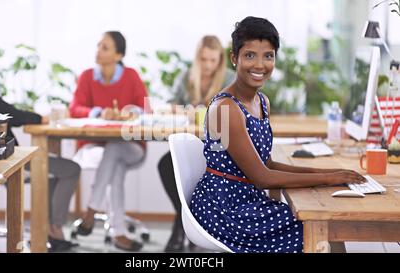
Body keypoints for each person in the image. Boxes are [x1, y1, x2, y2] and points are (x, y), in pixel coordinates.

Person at [189, 16, 366, 253]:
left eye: (268, 56)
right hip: (225, 210)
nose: (260, 65)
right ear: (234, 58)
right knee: (322, 230)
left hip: (247, 202)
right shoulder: (226, 108)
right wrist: (327, 178)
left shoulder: (262, 101)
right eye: (250, 55)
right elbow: (263, 177)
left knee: (326, 227)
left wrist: (329, 174)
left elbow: (267, 163)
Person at [0, 38, 81, 252]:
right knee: (71, 169)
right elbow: (12, 115)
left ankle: (49, 229)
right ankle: (53, 228)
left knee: (51, 174)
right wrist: (40, 118)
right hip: (4, 162)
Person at [69, 31, 148, 252]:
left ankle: (91, 212)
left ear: (118, 54)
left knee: (114, 148)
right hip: (92, 148)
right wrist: (98, 112)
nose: (98, 50)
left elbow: (146, 108)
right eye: (98, 45)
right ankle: (118, 232)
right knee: (115, 164)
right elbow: (74, 109)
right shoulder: (86, 77)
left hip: (132, 147)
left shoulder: (130, 76)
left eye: (105, 47)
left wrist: (130, 113)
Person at [158, 35, 234, 252]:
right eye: (204, 60)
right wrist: (186, 111)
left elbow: (234, 111)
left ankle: (180, 226)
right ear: (197, 58)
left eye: (213, 60)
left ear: (220, 60)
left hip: (218, 147)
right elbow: (169, 105)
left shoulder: (229, 78)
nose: (208, 65)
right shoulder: (186, 77)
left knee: (184, 167)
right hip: (189, 141)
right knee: (165, 165)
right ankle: (185, 220)